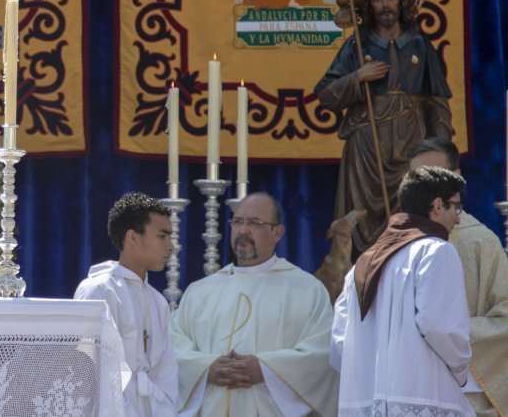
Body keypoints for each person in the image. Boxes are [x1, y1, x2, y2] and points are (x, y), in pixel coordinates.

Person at [316, 0, 453, 253]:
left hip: (411, 141)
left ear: (402, 3)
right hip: (367, 144)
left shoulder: (420, 46)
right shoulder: (357, 44)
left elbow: (437, 103)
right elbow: (326, 95)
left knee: (411, 214)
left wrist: (443, 155)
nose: (386, 4)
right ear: (369, 7)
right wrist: (357, 77)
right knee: (361, 216)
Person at [170, 193, 339, 416]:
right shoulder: (200, 291)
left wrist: (266, 370)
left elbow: (322, 354)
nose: (243, 230)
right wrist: (206, 369)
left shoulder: (307, 290)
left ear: (277, 232)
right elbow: (172, 345)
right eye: (238, 222)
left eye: (255, 223)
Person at [331, 166, 473, 416]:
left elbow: (340, 342)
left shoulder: (362, 263)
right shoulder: (436, 251)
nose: (459, 218)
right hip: (423, 396)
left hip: (366, 402)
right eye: (456, 207)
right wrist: (461, 370)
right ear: (438, 205)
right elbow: (439, 326)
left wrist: (374, 382)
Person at [407, 138, 508, 416]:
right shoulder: (390, 247)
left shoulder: (479, 243)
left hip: (463, 398)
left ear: (457, 179)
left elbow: (504, 321)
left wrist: (436, 338)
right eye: (416, 179)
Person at [74, 193, 177, 416]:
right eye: (162, 236)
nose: (171, 246)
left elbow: (166, 373)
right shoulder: (99, 291)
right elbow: (91, 369)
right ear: (132, 237)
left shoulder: (158, 302)